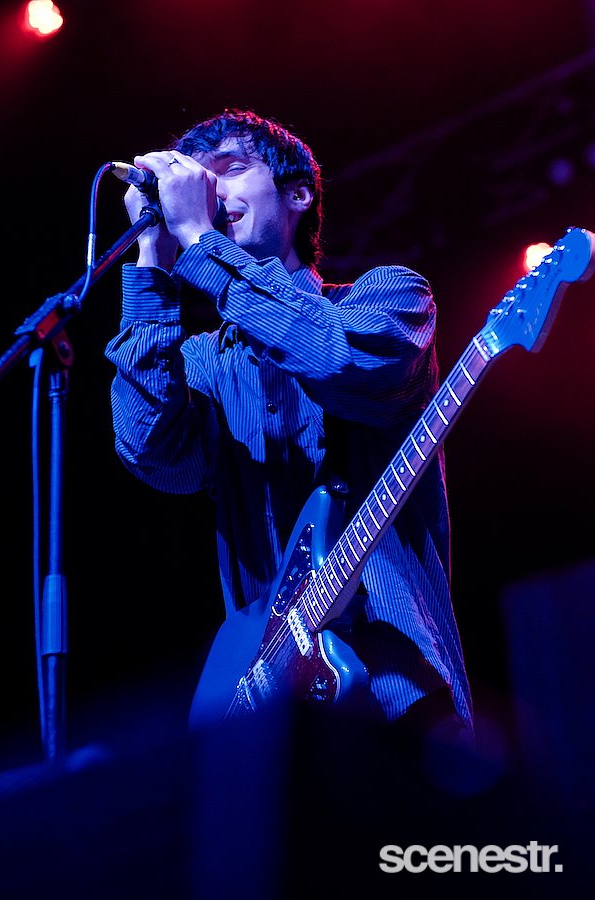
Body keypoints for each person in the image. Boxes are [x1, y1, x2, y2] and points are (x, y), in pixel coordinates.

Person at [104, 109, 473, 740]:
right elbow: (157, 458)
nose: (208, 191)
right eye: (198, 179)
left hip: (398, 694)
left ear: (298, 194)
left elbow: (334, 361)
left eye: (230, 169)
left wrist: (201, 241)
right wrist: (152, 262)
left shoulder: (389, 297)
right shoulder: (204, 362)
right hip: (273, 722)